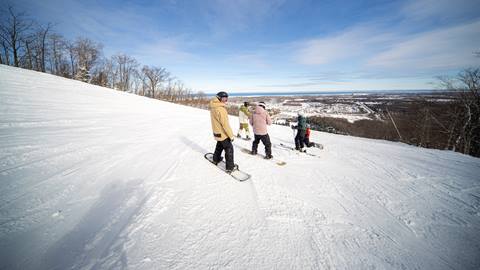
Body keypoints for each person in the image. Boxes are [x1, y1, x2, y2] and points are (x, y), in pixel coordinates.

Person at [209, 91, 235, 172]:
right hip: (223, 133)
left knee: (219, 145)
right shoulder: (220, 109)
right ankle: (230, 167)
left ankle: (216, 158)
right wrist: (231, 135)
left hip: (217, 132)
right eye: (224, 98)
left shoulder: (213, 106)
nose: (225, 100)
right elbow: (225, 124)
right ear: (219, 98)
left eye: (226, 98)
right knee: (229, 149)